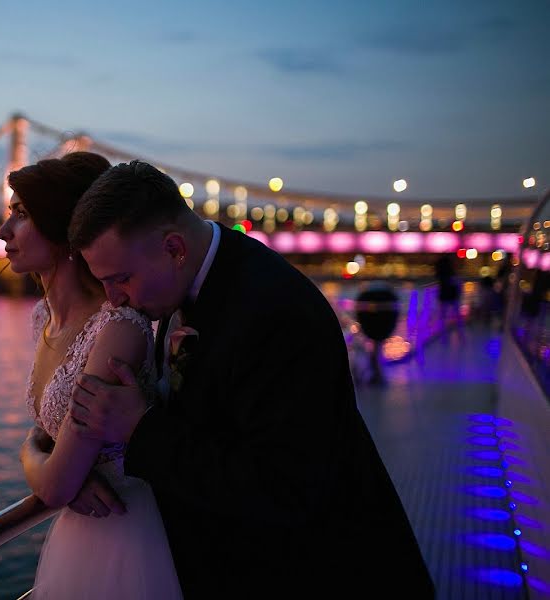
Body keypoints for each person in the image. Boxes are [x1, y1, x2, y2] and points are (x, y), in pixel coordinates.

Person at [66, 160, 436, 599]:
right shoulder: (182, 289)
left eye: (121, 279)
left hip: (318, 573)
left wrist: (140, 429)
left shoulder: (275, 311)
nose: (112, 300)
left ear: (174, 248)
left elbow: (284, 487)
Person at [0, 152, 182, 599]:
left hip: (124, 537)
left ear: (64, 230)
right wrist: (47, 455)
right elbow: (53, 445)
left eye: (22, 215)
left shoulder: (116, 328)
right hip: (78, 539)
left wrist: (30, 452)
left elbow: (58, 484)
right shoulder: (43, 318)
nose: (4, 232)